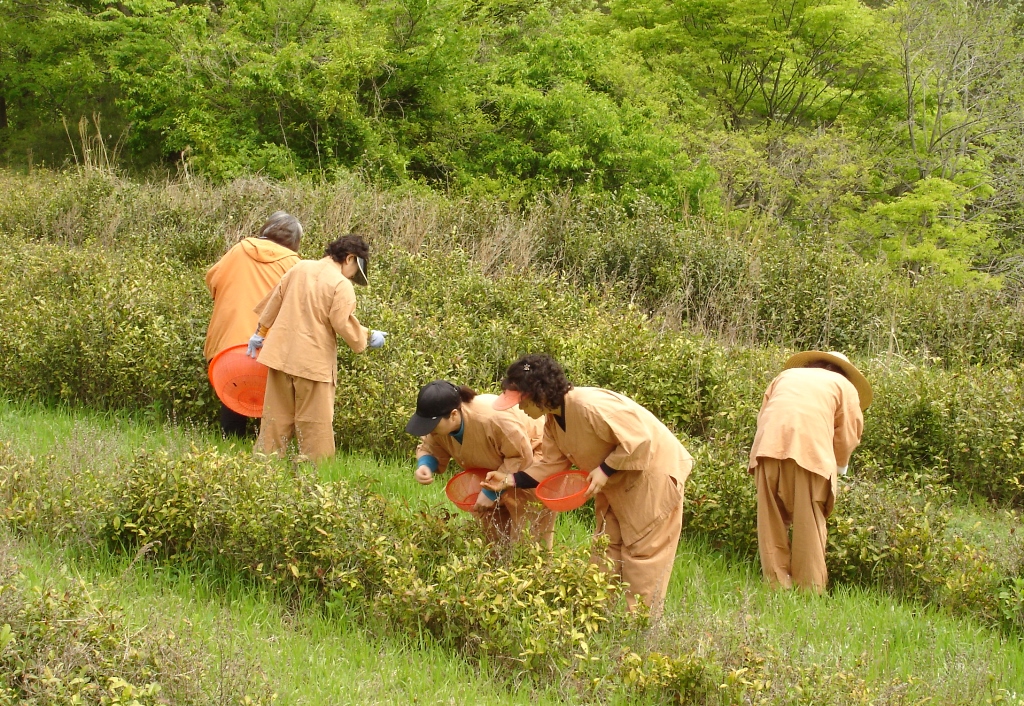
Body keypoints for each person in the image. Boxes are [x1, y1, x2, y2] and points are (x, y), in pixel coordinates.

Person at [487, 354, 693, 616]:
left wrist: (605, 469)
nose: (519, 409)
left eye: (520, 402)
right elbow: (551, 465)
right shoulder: (552, 421)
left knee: (644, 558)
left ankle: (640, 631)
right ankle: (596, 618)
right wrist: (508, 480)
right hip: (618, 485)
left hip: (652, 478)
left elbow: (640, 440)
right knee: (605, 550)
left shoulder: (589, 405)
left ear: (538, 393)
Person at [247, 234, 387, 462]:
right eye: (356, 269)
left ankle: (263, 472)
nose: (353, 277)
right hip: (313, 365)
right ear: (350, 258)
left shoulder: (300, 267)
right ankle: (313, 480)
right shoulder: (341, 284)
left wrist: (260, 333)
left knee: (274, 421)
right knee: (315, 427)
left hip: (280, 357)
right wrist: (369, 336)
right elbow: (342, 322)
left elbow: (275, 300)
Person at [748, 350, 871, 593]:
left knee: (771, 524)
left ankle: (777, 588)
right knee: (809, 526)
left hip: (765, 451)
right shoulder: (844, 386)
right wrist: (839, 468)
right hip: (809, 455)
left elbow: (763, 417)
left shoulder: (785, 377)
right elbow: (847, 435)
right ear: (844, 373)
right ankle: (809, 592)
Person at [406, 380, 556, 547]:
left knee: (528, 538)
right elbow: (430, 447)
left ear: (454, 414)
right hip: (493, 471)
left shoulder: (493, 418)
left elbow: (520, 457)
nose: (428, 429)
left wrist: (490, 492)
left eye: (431, 424)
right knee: (493, 539)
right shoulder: (439, 427)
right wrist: (425, 465)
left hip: (530, 463)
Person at [204, 211, 302, 437]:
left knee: (233, 393)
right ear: (294, 241)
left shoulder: (239, 250)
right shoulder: (294, 264)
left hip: (227, 343)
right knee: (272, 399)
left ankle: (230, 442)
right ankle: (264, 449)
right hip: (267, 346)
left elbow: (212, 281)